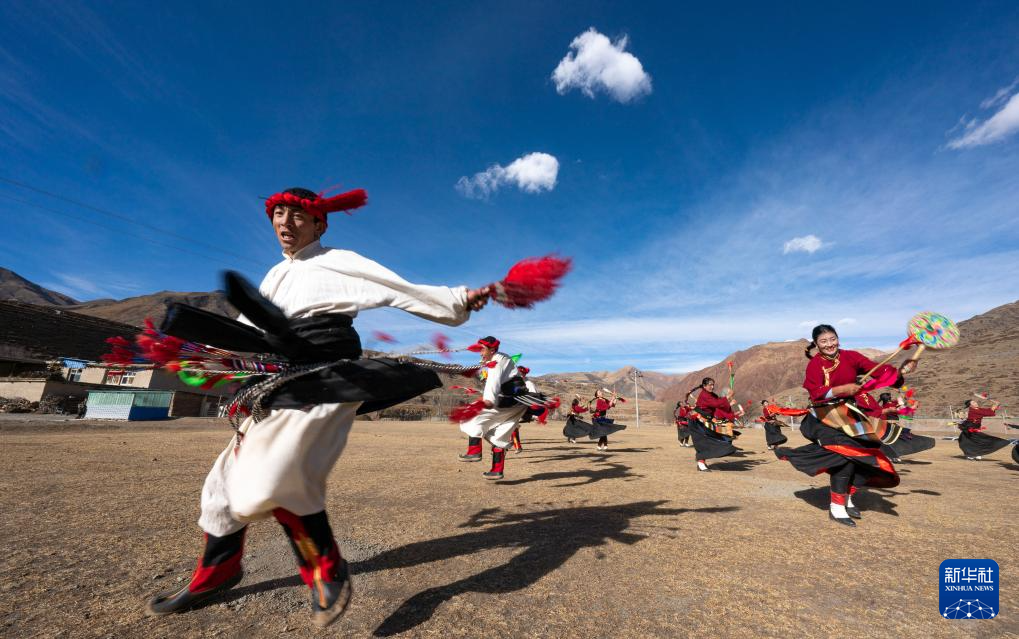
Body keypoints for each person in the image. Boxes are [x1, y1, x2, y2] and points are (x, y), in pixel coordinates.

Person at [146, 186, 494, 627]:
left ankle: (325, 569)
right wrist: (206, 354)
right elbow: (249, 328)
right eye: (278, 214)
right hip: (278, 381)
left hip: (325, 377)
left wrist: (458, 299)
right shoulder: (275, 274)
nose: (285, 222)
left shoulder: (339, 260)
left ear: (319, 224)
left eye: (296, 215)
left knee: (273, 476)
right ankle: (217, 572)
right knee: (221, 486)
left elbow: (395, 287)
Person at [775, 324, 917, 528]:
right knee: (845, 455)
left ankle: (847, 499)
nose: (829, 344)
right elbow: (816, 392)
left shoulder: (851, 356)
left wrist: (901, 371)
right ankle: (837, 507)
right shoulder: (815, 364)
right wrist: (841, 389)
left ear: (838, 338)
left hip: (848, 415)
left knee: (861, 456)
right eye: (824, 341)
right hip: (823, 417)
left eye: (832, 339)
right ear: (816, 344)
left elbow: (878, 371)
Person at [457, 336, 528, 478]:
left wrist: (488, 400)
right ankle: (496, 471)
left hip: (507, 402)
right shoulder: (504, 358)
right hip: (518, 404)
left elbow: (493, 384)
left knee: (469, 414)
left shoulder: (496, 363)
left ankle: (474, 451)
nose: (480, 353)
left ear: (492, 350)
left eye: (483, 350)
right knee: (499, 434)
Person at [686, 378, 739, 471]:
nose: (712, 387)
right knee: (703, 442)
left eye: (713, 384)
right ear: (704, 386)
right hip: (696, 421)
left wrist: (729, 402)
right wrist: (728, 396)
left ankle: (701, 463)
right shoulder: (704, 395)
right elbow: (716, 403)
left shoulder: (712, 395)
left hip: (705, 421)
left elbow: (719, 405)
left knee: (719, 438)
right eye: (710, 385)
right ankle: (701, 463)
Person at [877, 392, 934, 462]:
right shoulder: (891, 406)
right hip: (893, 426)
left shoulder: (883, 406)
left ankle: (890, 455)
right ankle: (892, 456)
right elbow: (905, 410)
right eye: (891, 397)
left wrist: (902, 397)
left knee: (890, 441)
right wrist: (914, 405)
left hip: (886, 426)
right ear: (889, 399)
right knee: (897, 440)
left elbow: (900, 400)